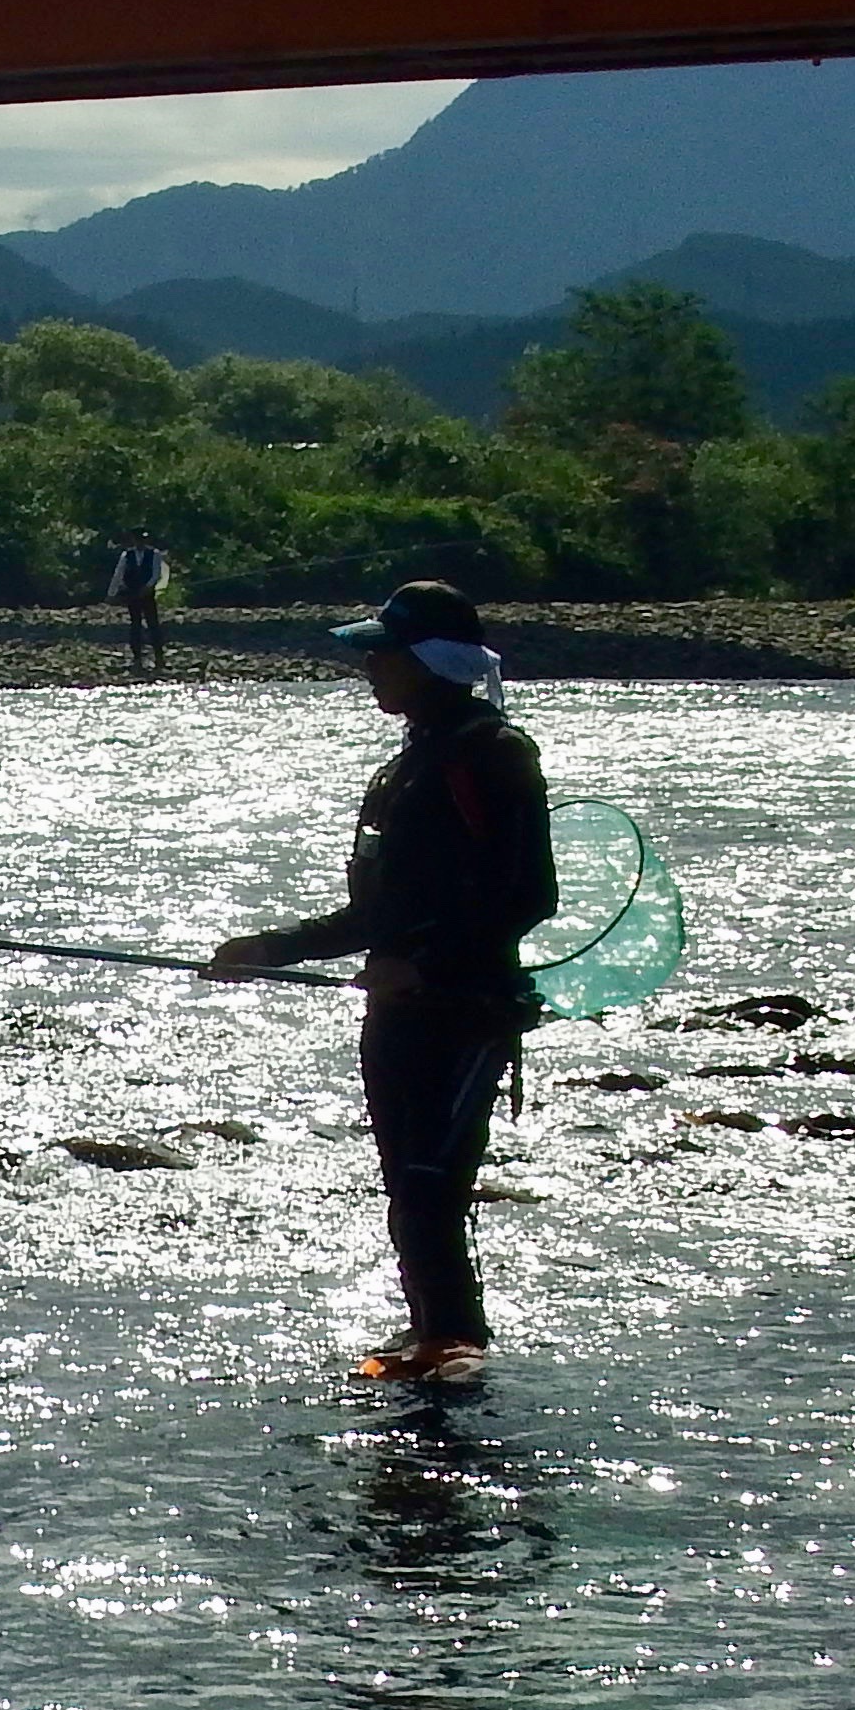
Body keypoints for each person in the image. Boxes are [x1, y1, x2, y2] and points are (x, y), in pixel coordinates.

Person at [209, 579, 555, 1385]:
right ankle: (432, 1337)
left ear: (431, 662)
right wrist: (271, 948)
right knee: (406, 1184)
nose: (369, 667)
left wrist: (423, 965)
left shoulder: (495, 754)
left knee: (432, 1184)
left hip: (465, 1009)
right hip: (397, 1011)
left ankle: (455, 1347)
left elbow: (530, 895)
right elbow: (377, 914)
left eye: (383, 653)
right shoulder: (406, 768)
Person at [104, 530, 169, 672]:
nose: (140, 543)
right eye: (138, 539)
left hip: (147, 595)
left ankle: (159, 657)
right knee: (135, 626)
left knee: (153, 624)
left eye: (142, 540)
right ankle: (137, 658)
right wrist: (111, 593)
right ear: (134, 540)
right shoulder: (127, 555)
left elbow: (156, 573)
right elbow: (118, 574)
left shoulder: (154, 554)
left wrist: (148, 587)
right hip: (132, 594)